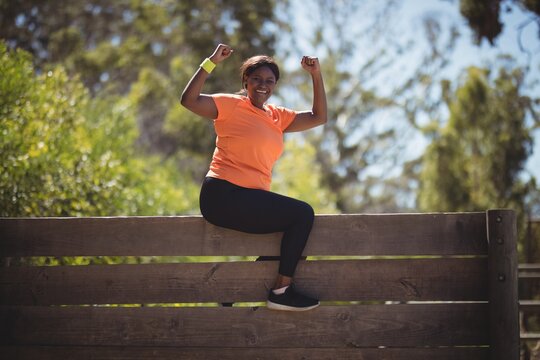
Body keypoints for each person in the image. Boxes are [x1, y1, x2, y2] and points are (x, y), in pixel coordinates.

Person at [180, 43, 327, 311]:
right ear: (246, 80)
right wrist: (211, 61)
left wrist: (315, 74)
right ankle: (281, 292)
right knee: (302, 214)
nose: (263, 85)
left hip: (250, 198)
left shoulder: (277, 117)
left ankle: (235, 290)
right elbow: (188, 100)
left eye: (269, 81)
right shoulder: (231, 105)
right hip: (221, 194)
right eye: (257, 79)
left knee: (291, 236)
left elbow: (319, 116)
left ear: (275, 85)